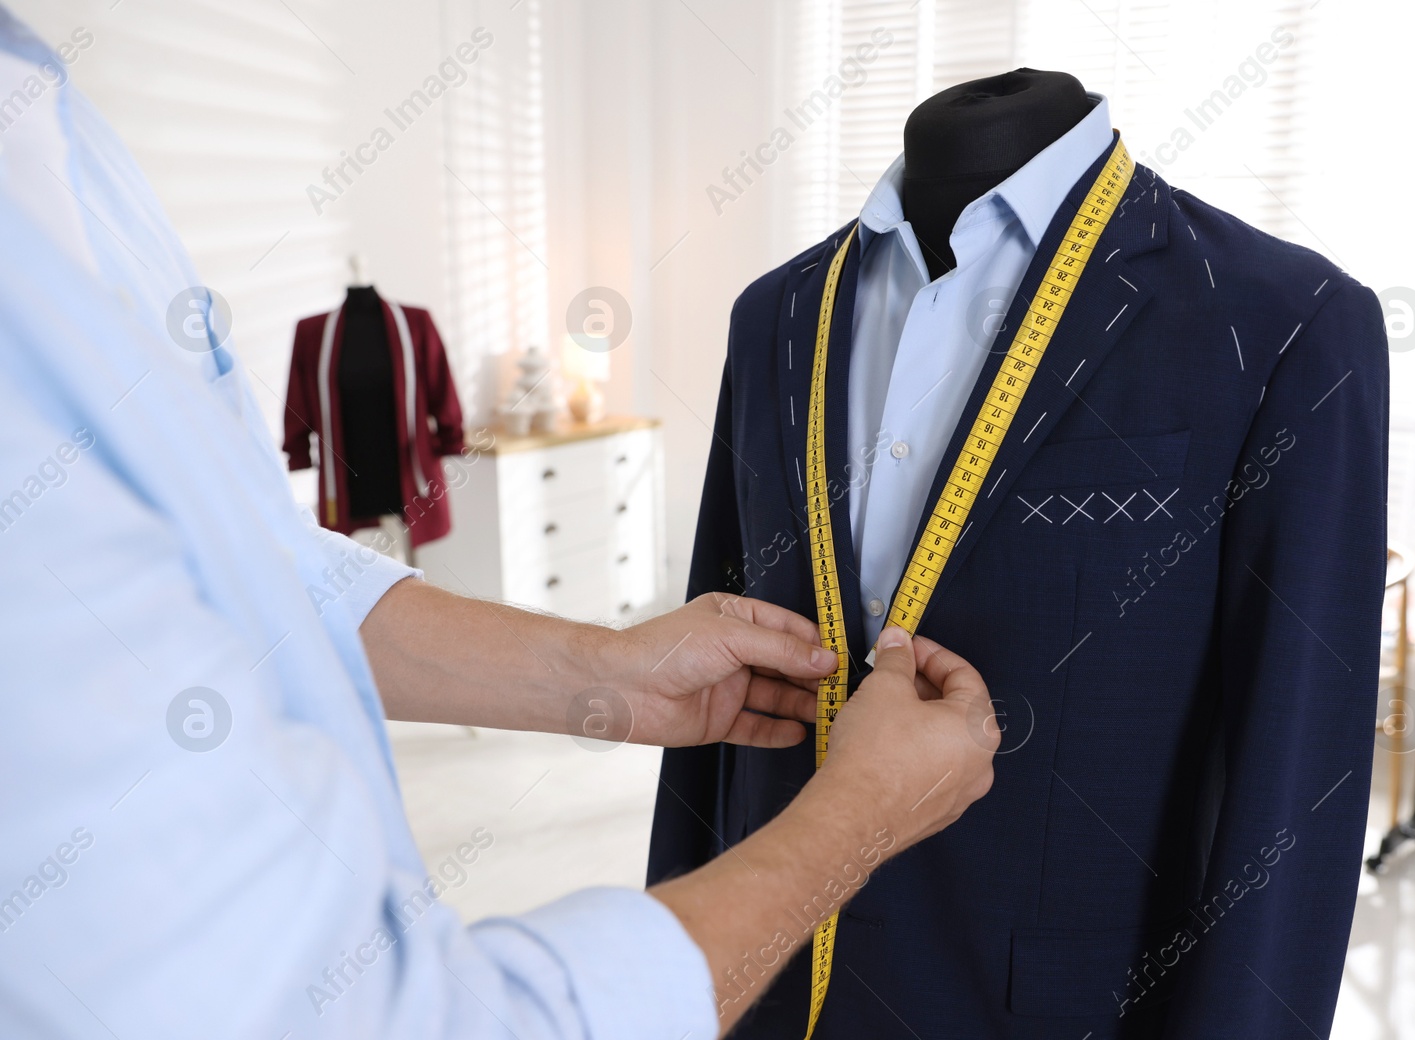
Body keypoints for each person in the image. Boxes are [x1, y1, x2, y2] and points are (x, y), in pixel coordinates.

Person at [0, 8, 997, 1039]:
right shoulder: (779, 309)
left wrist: (601, 667)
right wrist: (848, 828)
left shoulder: (56, 129)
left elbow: (250, 571)